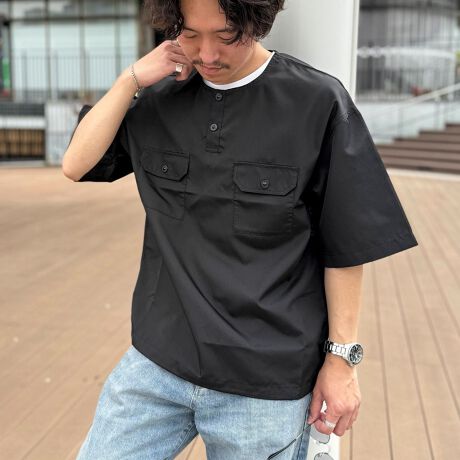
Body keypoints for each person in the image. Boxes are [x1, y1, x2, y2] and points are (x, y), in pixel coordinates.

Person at [63, 0, 418, 459]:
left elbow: (345, 246)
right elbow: (75, 164)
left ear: (257, 22)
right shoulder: (159, 97)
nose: (208, 54)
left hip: (264, 383)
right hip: (158, 363)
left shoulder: (316, 102)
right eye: (191, 35)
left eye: (226, 36)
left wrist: (341, 361)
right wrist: (129, 80)